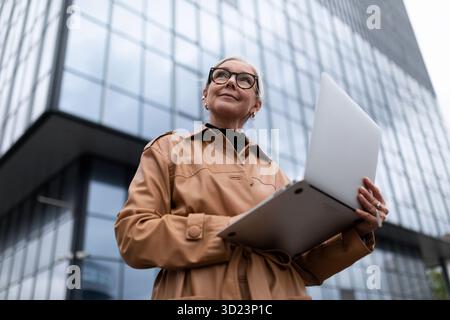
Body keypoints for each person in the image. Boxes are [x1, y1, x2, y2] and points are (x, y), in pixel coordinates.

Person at [114, 57, 389, 300]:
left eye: (245, 80)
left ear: (255, 105)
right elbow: (133, 235)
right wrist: (229, 232)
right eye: (221, 75)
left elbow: (303, 267)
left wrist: (359, 232)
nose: (231, 82)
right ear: (206, 95)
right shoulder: (168, 149)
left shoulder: (277, 175)